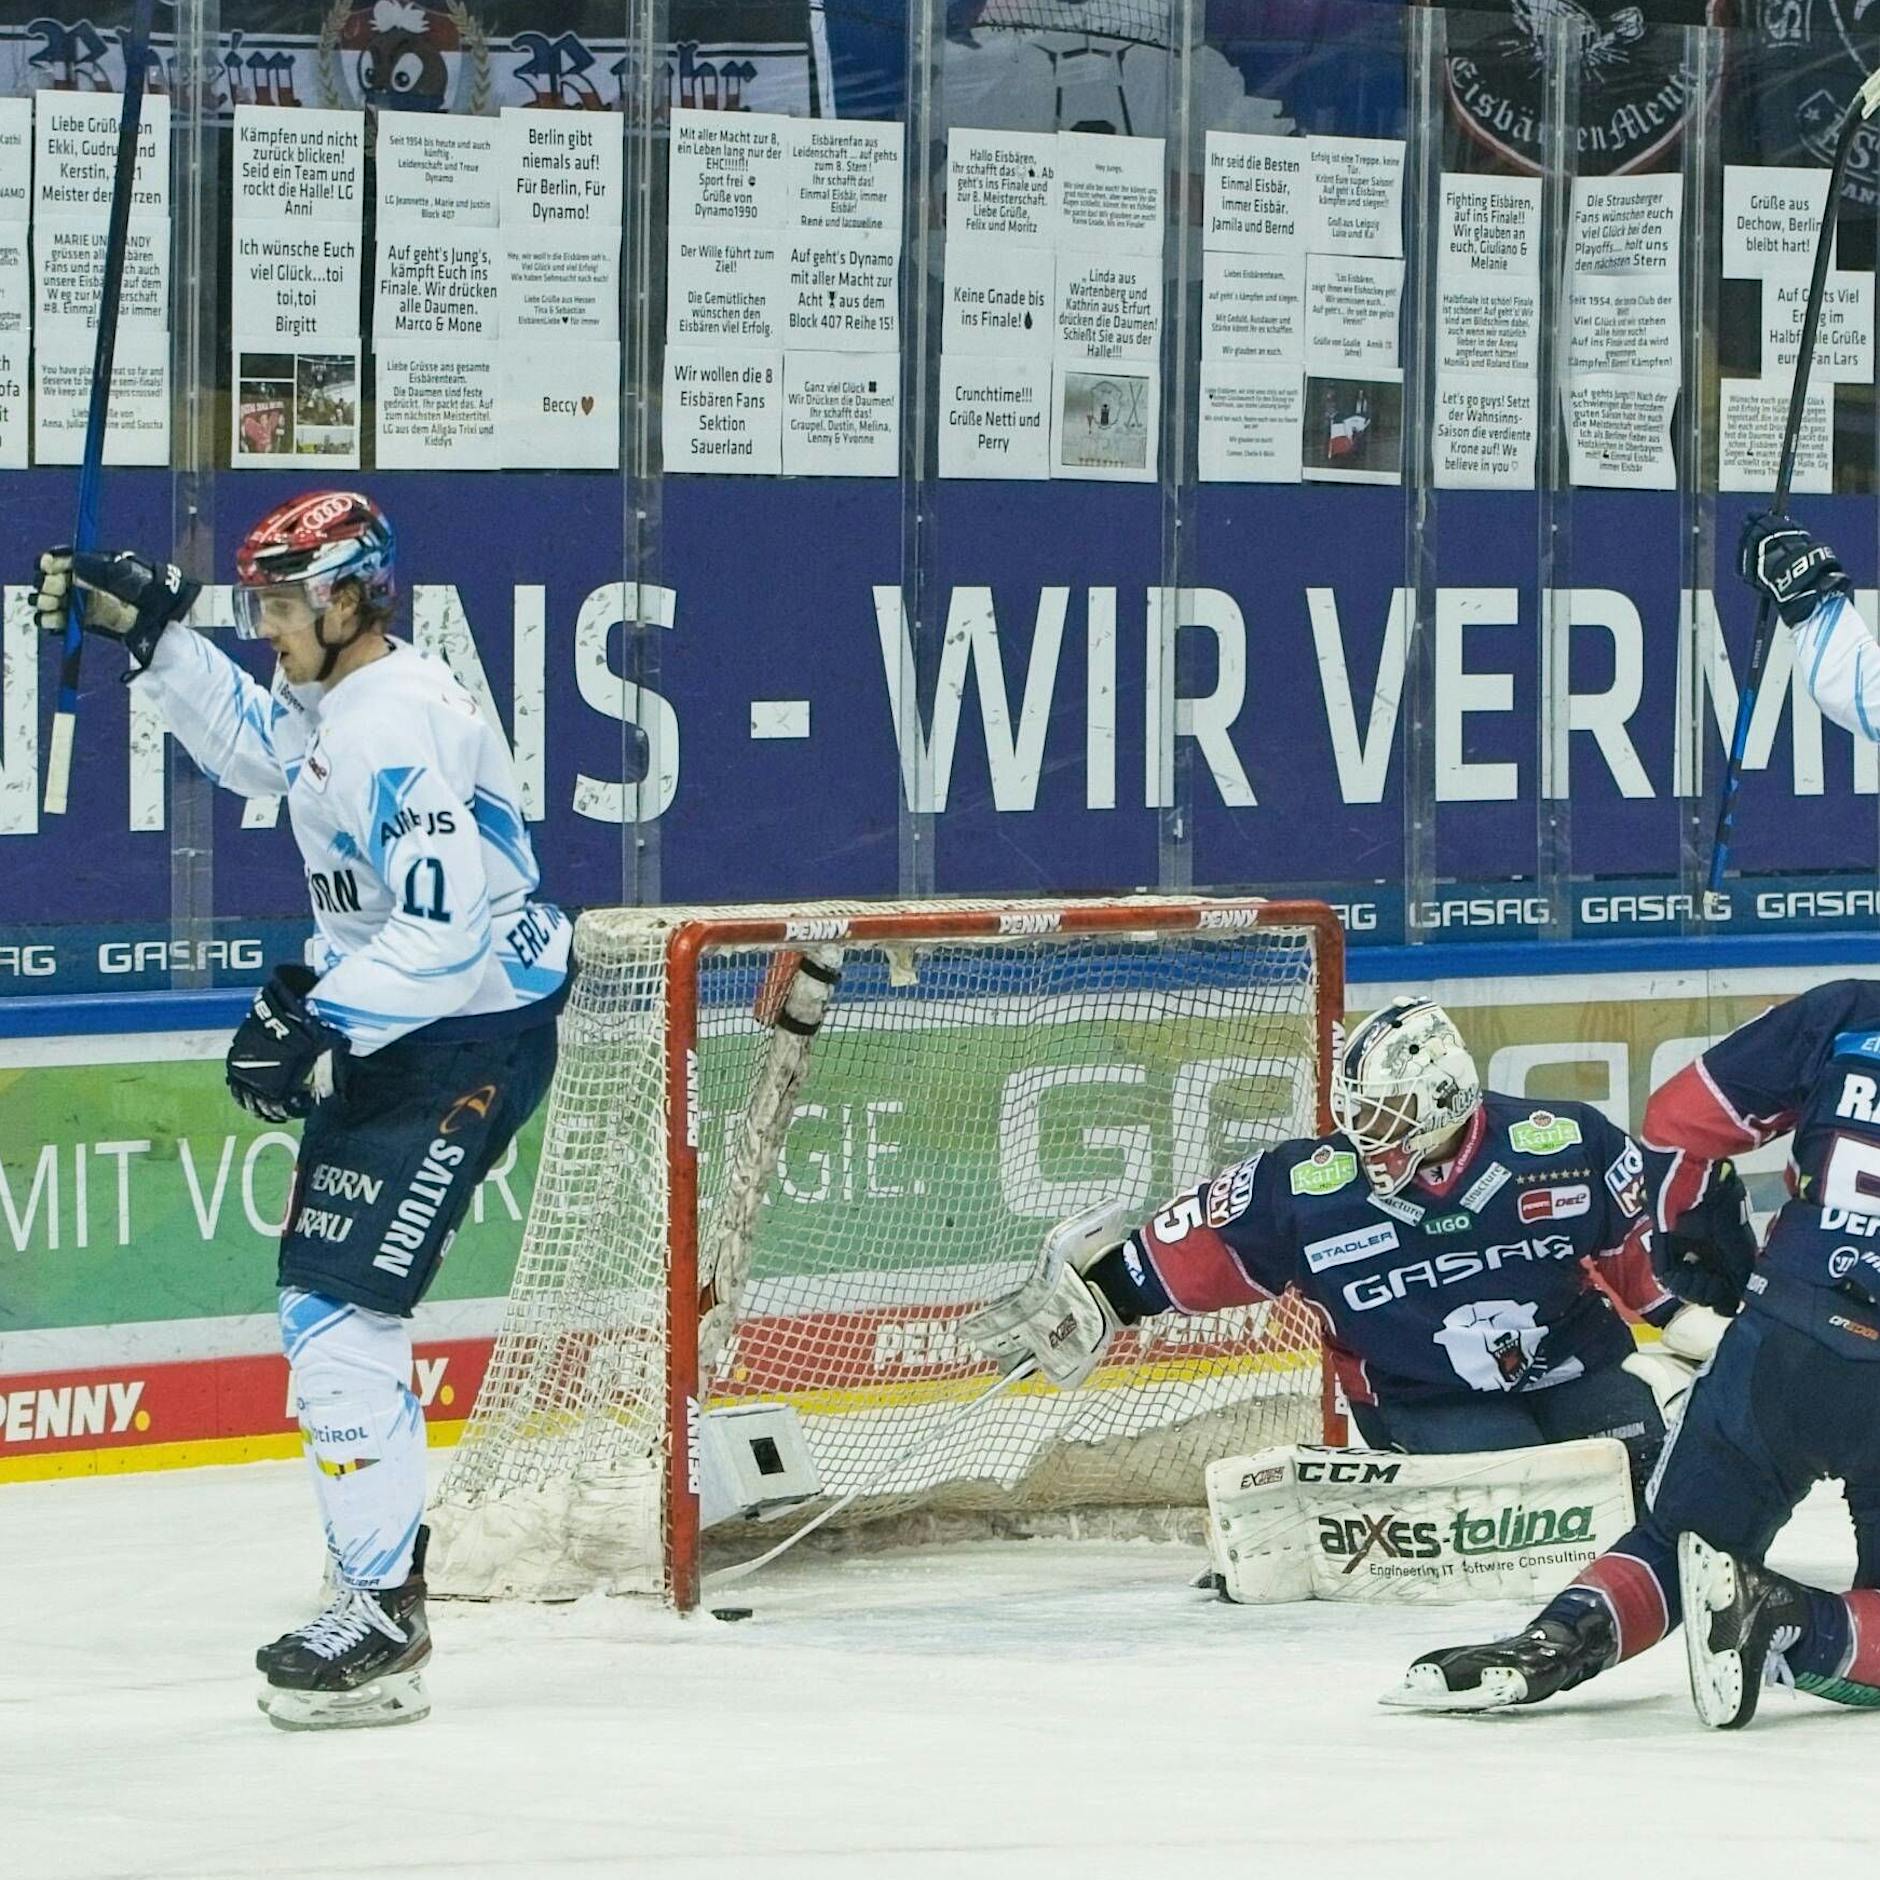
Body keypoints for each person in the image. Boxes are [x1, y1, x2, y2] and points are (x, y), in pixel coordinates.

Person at [31, 493, 569, 1731]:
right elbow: (258, 752)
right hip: (415, 1021)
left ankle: (380, 1608)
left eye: (282, 602)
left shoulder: (393, 724)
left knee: (338, 1309)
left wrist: (323, 1016)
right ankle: (373, 1579)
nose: (265, 623)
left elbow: (446, 930)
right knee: (325, 1305)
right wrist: (158, 639)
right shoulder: (341, 699)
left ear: (350, 597)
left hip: (461, 1031)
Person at [1383, 513, 1880, 1728]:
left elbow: (1673, 1119)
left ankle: (1549, 1643)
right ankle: (1788, 1619)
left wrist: (1810, 598)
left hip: (1793, 1322)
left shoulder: (1847, 1013)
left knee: (1679, 1526)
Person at [965, 996, 1709, 1501]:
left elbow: (1637, 1248)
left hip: (1577, 1367)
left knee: (1654, 1480)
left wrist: (1681, 1314)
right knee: (1517, 1503)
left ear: (1446, 1099)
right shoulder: (1307, 1188)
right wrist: (1103, 1298)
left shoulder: (1564, 1143)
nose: (1366, 1135)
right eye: (1358, 1113)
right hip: (1425, 1396)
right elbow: (1188, 1249)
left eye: (1388, 1114)